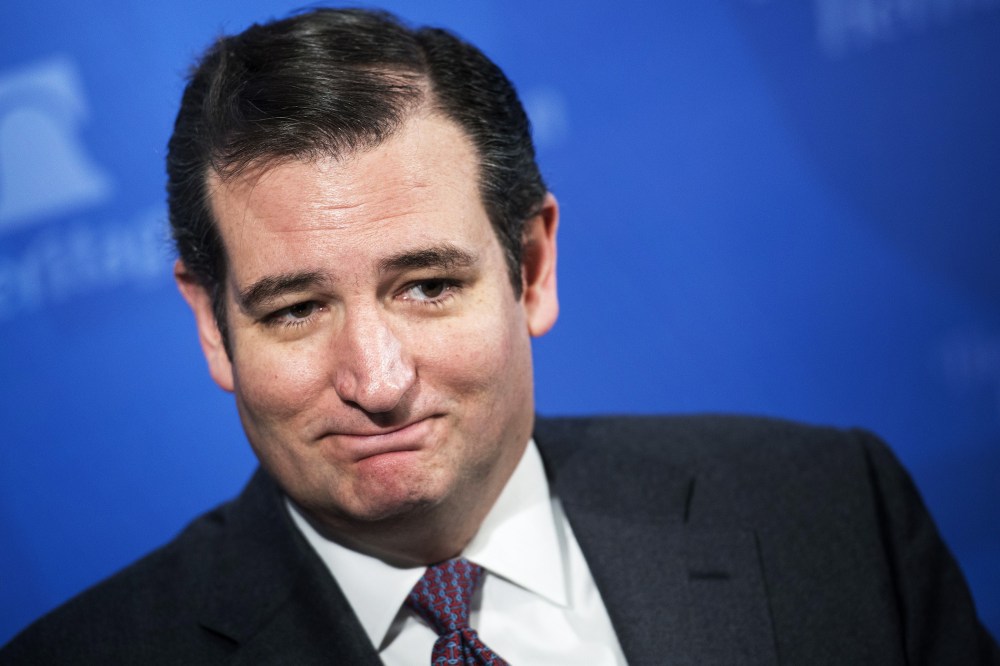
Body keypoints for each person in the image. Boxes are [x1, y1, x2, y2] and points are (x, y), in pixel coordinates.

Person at [1, 7, 997, 665]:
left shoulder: (825, 513)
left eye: (427, 286)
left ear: (531, 269)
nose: (378, 379)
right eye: (295, 310)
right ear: (213, 328)